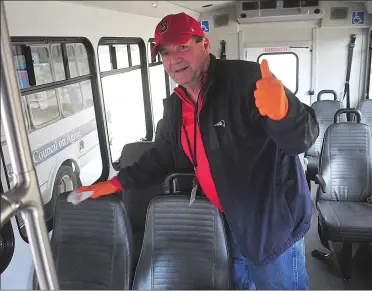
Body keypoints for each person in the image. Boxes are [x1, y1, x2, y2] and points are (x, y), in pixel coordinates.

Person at [75, 12, 319, 290]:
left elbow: (303, 139)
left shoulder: (245, 80)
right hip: (228, 220)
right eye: (165, 52)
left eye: (182, 47)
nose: (173, 59)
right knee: (241, 283)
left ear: (205, 44)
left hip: (272, 224)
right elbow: (161, 157)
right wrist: (116, 182)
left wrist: (285, 113)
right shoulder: (176, 106)